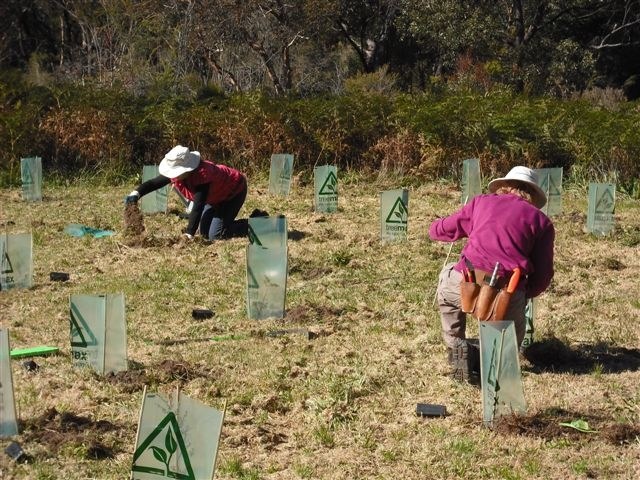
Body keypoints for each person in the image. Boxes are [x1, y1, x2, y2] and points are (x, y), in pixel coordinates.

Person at [428, 166, 555, 383]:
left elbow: (443, 229)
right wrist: (524, 295)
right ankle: (496, 364)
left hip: (463, 283)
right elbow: (543, 275)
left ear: (504, 186)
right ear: (532, 195)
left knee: (447, 290)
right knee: (509, 341)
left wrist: (434, 226)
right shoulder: (541, 222)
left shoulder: (481, 202)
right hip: (507, 293)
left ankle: (456, 347)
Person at [126, 145, 248, 240]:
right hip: (214, 198)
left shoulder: (202, 175)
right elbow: (154, 183)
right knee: (204, 233)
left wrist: (189, 234)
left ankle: (252, 224)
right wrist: (136, 193)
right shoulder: (179, 175)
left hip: (232, 193)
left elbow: (198, 206)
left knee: (216, 235)